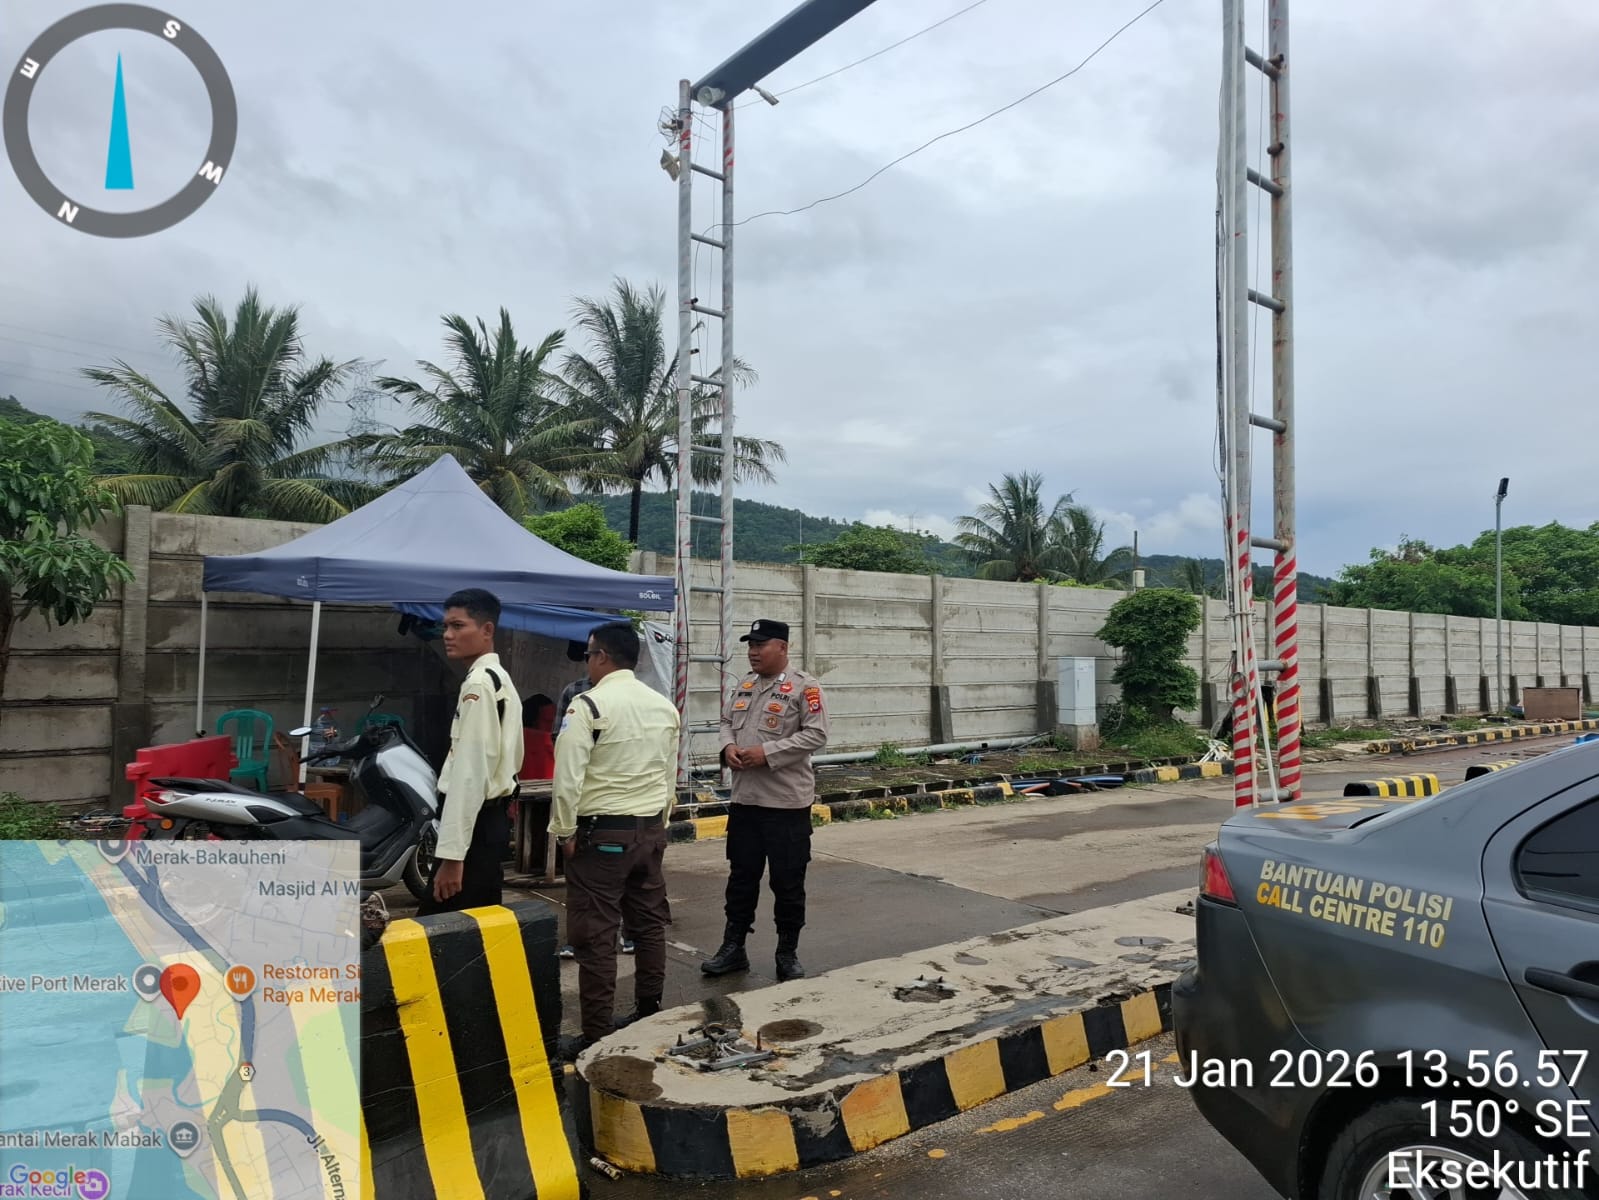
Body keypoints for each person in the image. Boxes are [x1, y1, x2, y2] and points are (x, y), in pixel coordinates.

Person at [551, 621, 680, 1052]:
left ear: (602, 656)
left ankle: (596, 1032)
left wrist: (564, 832)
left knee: (596, 934)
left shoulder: (587, 705)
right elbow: (668, 774)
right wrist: (659, 823)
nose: (587, 663)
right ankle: (648, 1011)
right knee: (649, 925)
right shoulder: (663, 706)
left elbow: (567, 780)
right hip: (650, 831)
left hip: (602, 835)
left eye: (589, 655)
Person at [703, 618, 829, 982]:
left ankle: (787, 952)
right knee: (741, 879)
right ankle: (733, 947)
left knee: (787, 882)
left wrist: (767, 753)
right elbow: (725, 721)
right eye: (750, 645)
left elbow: (817, 734)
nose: (753, 652)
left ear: (783, 648)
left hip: (785, 804)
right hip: (746, 801)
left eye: (760, 645)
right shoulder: (745, 684)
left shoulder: (805, 687)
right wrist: (727, 746)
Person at [417, 588, 524, 916]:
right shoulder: (498, 678)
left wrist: (452, 857)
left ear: (487, 630)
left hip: (475, 827)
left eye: (458, 626)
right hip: (487, 822)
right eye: (445, 626)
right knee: (479, 926)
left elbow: (470, 775)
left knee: (441, 930)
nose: (447, 635)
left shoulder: (479, 684)